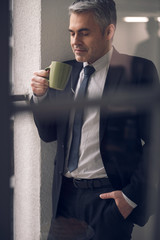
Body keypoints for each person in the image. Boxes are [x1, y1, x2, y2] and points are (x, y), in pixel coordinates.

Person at [31, 0, 159, 239]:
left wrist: (130, 198)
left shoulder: (138, 71)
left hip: (109, 199)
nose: (75, 42)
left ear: (109, 31)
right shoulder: (64, 71)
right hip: (65, 200)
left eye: (84, 33)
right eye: (71, 33)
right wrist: (40, 97)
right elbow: (48, 135)